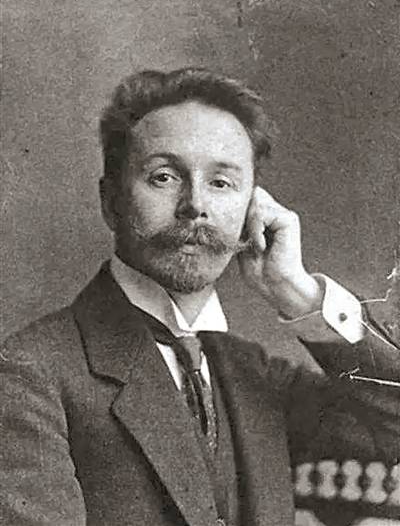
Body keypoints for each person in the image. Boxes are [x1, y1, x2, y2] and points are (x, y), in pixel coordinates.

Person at [0, 68, 398, 526]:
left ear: (252, 209)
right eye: (164, 177)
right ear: (111, 201)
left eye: (221, 182)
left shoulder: (254, 374)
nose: (196, 205)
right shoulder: (32, 371)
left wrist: (298, 292)